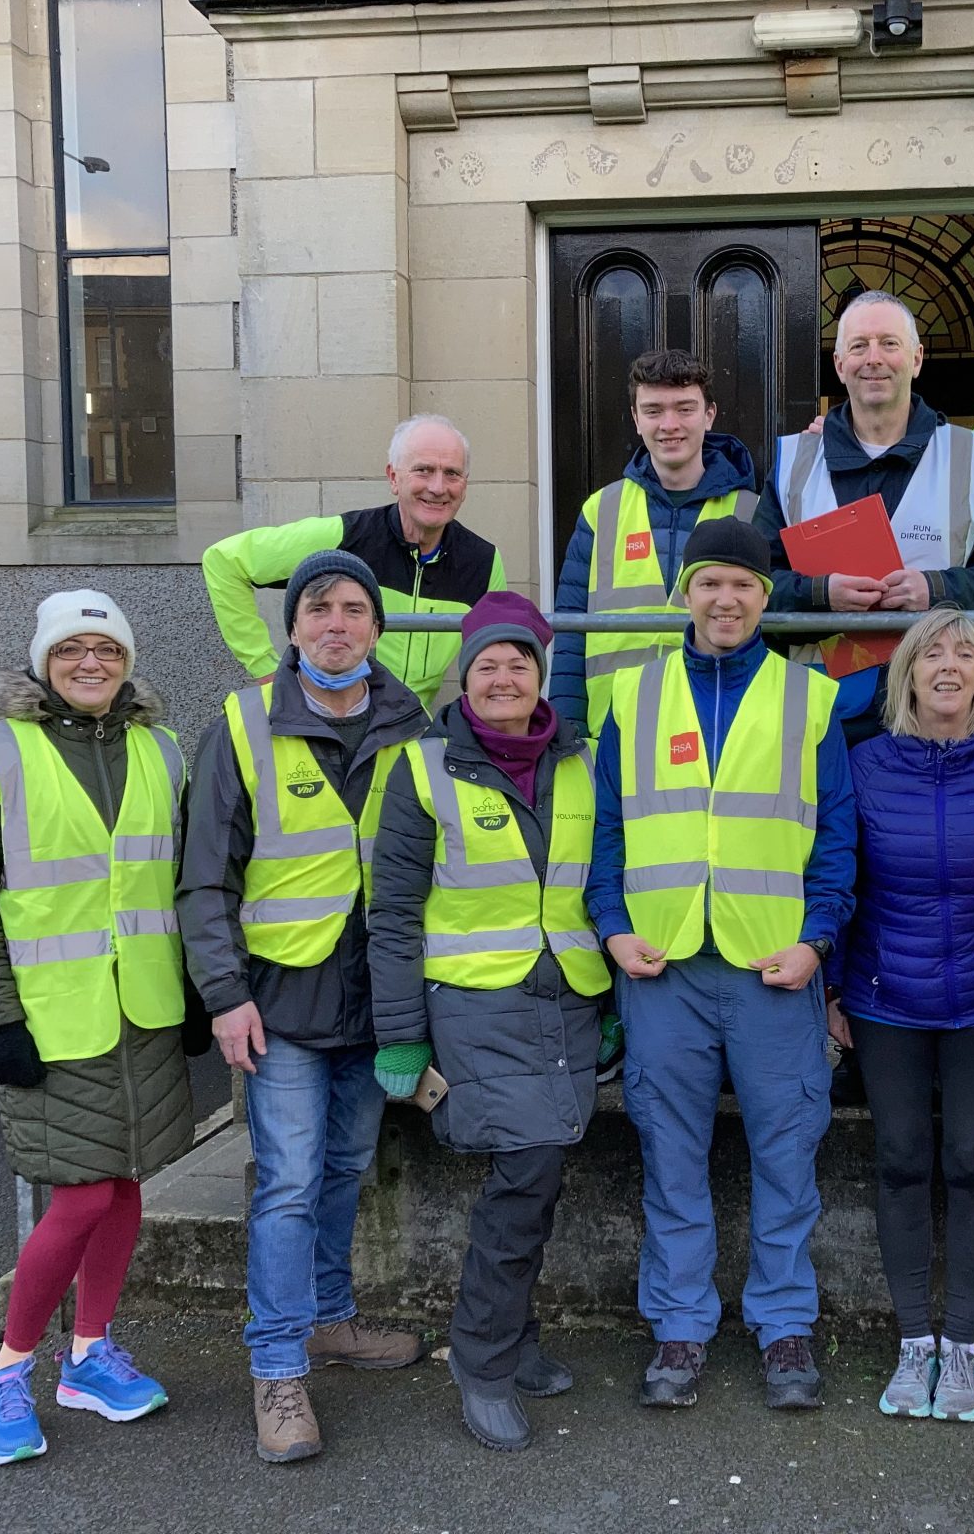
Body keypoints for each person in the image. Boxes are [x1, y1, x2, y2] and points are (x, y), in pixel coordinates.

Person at [588, 517, 854, 1412]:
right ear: (685, 595)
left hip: (772, 967)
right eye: (709, 583)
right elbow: (608, 831)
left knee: (787, 1155)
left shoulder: (807, 698)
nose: (726, 599)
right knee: (671, 1156)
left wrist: (817, 941)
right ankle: (679, 1327)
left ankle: (784, 1326)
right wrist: (611, 925)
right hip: (662, 965)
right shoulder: (633, 693)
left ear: (765, 597)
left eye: (742, 585)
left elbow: (836, 844)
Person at [0, 591, 202, 1464]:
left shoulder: (161, 748)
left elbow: (182, 881)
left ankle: (88, 1357)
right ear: (43, 661)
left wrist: (198, 987)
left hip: (147, 1010)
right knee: (81, 1193)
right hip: (51, 1020)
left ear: (128, 661)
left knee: (126, 1185)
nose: (92, 663)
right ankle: (6, 1373)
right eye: (72, 650)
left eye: (108, 649)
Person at [179, 550, 430, 1464]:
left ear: (376, 628)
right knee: (287, 1182)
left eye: (354, 608)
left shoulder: (414, 726)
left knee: (342, 1171)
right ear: (291, 630)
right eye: (317, 607)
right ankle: (278, 1367)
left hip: (376, 1002)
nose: (336, 622)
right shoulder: (241, 727)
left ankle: (328, 1319)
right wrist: (224, 996)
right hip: (279, 1002)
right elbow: (204, 880)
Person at [367, 592, 602, 1454]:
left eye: (519, 664)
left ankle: (516, 1337)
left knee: (542, 1179)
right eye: (486, 666)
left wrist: (607, 1002)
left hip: (567, 999)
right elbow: (391, 913)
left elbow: (594, 885)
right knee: (525, 1173)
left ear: (542, 676)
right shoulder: (422, 767)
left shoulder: (581, 760)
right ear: (463, 679)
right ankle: (485, 1362)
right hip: (472, 1002)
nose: (503, 678)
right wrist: (400, 1034)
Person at [832, 608, 974, 1422]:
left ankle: (962, 1345)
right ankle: (912, 1339)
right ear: (908, 674)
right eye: (932, 655)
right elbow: (841, 875)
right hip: (887, 996)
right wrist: (836, 989)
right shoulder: (868, 764)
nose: (949, 666)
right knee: (898, 1157)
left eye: (966, 653)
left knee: (971, 1159)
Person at [754, 291, 974, 743]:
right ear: (839, 364)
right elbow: (757, 582)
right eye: (859, 346)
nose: (873, 359)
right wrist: (822, 594)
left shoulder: (973, 457)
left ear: (917, 359)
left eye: (889, 344)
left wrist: (935, 589)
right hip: (824, 711)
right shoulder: (792, 460)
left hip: (941, 710)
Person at [201, 414, 505, 710]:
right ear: (393, 477)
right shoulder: (343, 537)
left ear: (465, 484)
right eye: (423, 470)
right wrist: (265, 669)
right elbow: (224, 561)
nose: (438, 487)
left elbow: (497, 655)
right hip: (325, 724)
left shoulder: (484, 562)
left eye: (452, 473)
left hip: (409, 734)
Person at [552, 348, 758, 736]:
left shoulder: (750, 511)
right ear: (635, 418)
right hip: (613, 725)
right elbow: (569, 630)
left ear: (709, 415)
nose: (669, 424)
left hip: (715, 722)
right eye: (653, 411)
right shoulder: (601, 509)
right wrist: (566, 727)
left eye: (684, 408)